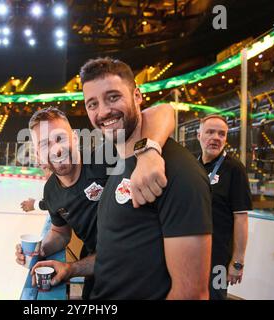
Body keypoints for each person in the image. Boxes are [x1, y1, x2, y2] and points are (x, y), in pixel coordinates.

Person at [32, 57, 213, 300]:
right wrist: (70, 268)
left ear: (137, 96)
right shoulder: (119, 164)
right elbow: (113, 257)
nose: (104, 111)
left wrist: (150, 152)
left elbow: (190, 294)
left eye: (113, 97)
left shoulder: (177, 171)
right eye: (92, 104)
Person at [16, 102, 175, 299]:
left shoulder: (105, 157)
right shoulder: (51, 191)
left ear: (74, 138)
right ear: (38, 154)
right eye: (44, 144)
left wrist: (148, 153)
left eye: (60, 138)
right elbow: (60, 232)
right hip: (98, 265)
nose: (56, 149)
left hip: (143, 265)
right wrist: (40, 250)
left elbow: (164, 111)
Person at [197, 114, 252, 300]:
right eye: (210, 132)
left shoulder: (235, 169)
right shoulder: (192, 166)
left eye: (221, 134)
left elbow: (241, 218)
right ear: (199, 136)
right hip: (190, 252)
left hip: (219, 258)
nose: (216, 138)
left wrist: (237, 262)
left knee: (216, 296)